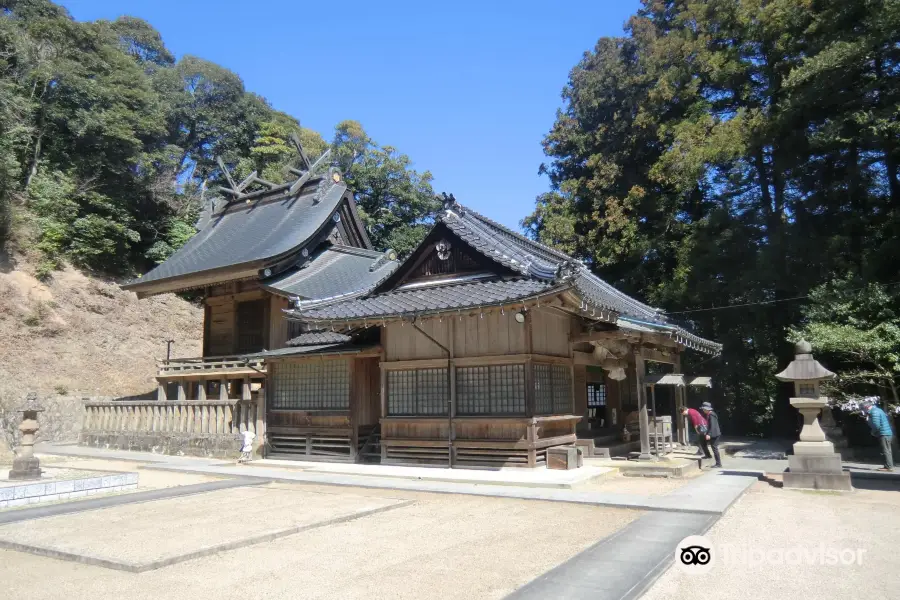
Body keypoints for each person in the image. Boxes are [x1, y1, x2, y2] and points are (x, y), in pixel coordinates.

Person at [861, 400, 894, 472]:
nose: (863, 410)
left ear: (866, 407)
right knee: (887, 450)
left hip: (883, 433)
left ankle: (888, 467)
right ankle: (888, 466)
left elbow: (876, 425)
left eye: (863, 408)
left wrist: (869, 422)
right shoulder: (877, 410)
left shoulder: (874, 412)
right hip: (886, 433)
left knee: (886, 451)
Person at [700, 402, 723, 468]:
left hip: (714, 434)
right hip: (712, 433)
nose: (703, 410)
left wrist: (709, 434)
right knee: (703, 442)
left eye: (703, 409)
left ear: (706, 409)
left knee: (714, 448)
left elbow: (713, 426)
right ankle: (708, 455)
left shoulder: (711, 415)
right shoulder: (710, 414)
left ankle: (718, 464)